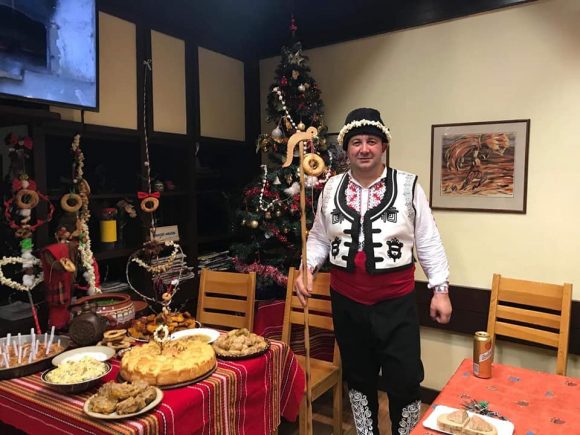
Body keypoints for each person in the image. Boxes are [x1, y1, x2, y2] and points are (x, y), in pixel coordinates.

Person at [295, 108, 452, 435]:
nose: (364, 148)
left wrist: (440, 290)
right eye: (356, 142)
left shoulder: (408, 186)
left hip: (396, 305)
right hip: (347, 303)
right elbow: (319, 238)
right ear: (346, 148)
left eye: (371, 141)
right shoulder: (330, 188)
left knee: (405, 379)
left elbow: (428, 239)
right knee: (358, 377)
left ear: (384, 146)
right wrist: (307, 268)